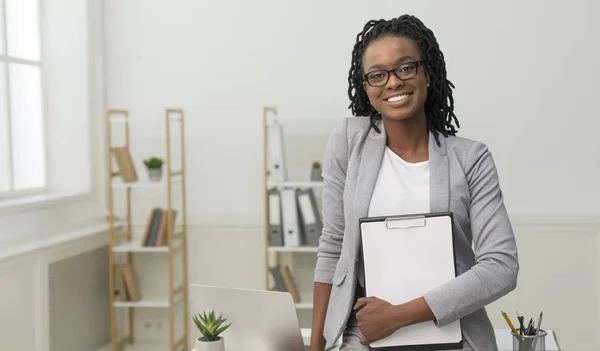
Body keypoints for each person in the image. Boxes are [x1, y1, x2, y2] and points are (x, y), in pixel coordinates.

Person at [309, 14, 519, 351]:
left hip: (457, 337)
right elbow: (333, 247)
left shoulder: (471, 158)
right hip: (365, 337)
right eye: (377, 75)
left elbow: (501, 267)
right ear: (366, 87)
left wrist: (398, 316)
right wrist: (315, 348)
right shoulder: (349, 142)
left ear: (427, 73)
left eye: (406, 68)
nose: (392, 82)